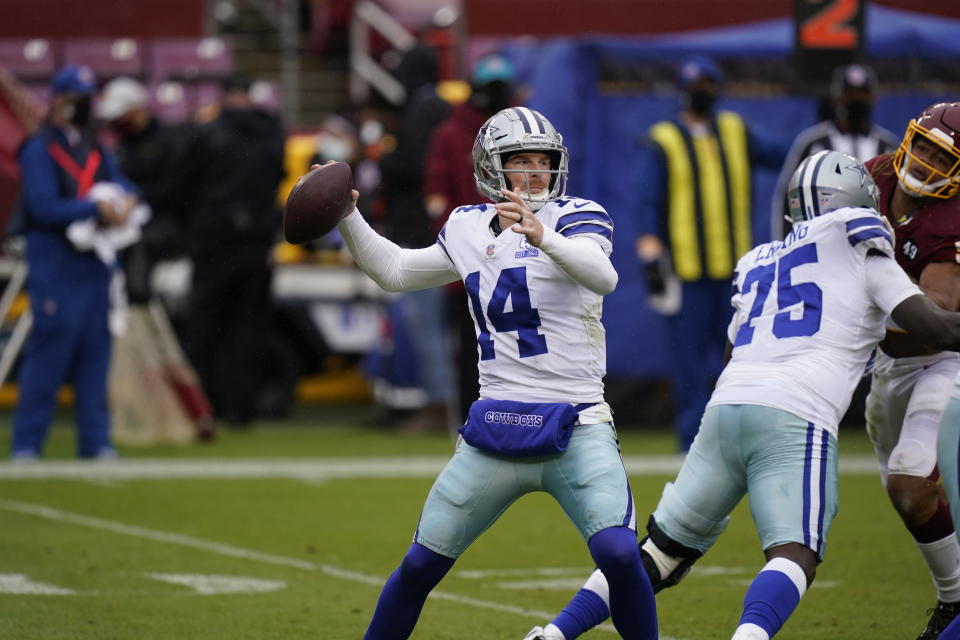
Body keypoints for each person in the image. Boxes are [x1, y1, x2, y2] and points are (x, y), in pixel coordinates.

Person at [523, 150, 960, 640]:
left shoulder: (760, 260)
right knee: (794, 554)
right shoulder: (864, 247)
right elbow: (936, 327)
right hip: (797, 410)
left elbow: (734, 347)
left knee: (661, 551)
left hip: (727, 407)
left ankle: (555, 633)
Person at [333, 106, 657, 639]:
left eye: (542, 161)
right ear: (492, 168)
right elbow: (395, 271)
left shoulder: (577, 216)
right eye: (520, 162)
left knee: (621, 555)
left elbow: (604, 276)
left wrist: (543, 238)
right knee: (419, 566)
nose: (534, 173)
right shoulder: (465, 227)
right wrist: (348, 218)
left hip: (577, 423)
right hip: (495, 430)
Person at [635, 55, 787, 451]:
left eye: (706, 86)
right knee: (687, 363)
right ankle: (692, 442)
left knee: (740, 357)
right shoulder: (664, 138)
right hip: (687, 269)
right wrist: (650, 250)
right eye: (693, 87)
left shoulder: (735, 131)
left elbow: (787, 154)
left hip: (735, 271)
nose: (700, 94)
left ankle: (738, 436)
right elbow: (648, 199)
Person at [861, 102, 960, 640]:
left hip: (941, 358)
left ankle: (954, 602)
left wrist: (859, 312)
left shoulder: (951, 218)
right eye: (920, 145)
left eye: (939, 155)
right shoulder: (873, 176)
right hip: (887, 367)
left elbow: (935, 318)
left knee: (911, 482)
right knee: (907, 496)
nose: (922, 160)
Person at [10, 65, 138, 459]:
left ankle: (96, 442)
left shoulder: (93, 145)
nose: (84, 105)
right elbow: (43, 206)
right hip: (56, 263)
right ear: (59, 101)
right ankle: (27, 445)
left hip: (95, 264)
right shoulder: (39, 147)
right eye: (77, 98)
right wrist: (94, 208)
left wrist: (127, 200)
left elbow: (122, 182)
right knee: (49, 356)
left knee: (95, 357)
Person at [179, 71, 286, 426]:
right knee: (249, 328)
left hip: (213, 242)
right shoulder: (271, 131)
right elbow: (278, 176)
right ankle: (242, 409)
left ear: (223, 94)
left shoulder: (207, 132)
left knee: (205, 326)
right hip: (257, 242)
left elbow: (185, 185)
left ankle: (200, 408)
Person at [423, 52, 516, 425]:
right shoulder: (451, 133)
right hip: (469, 269)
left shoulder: (516, 134)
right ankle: (469, 424)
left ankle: (513, 422)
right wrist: (460, 245)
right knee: (469, 353)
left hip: (514, 264)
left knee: (514, 350)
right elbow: (436, 195)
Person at [376, 43, 454, 432]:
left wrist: (383, 159)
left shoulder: (425, 111)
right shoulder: (436, 108)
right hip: (431, 233)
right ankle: (443, 401)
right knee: (432, 327)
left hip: (421, 235)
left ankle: (441, 404)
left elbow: (413, 165)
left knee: (427, 327)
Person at [770, 63, 899, 241]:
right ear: (837, 97)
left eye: (862, 94)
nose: (856, 100)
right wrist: (783, 248)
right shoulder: (812, 143)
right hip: (823, 247)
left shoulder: (888, 146)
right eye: (850, 94)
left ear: (873, 98)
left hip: (875, 248)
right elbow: (787, 201)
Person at [96, 76, 191, 302]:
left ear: (137, 110)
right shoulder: (123, 145)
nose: (116, 122)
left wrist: (138, 198)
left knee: (142, 242)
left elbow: (177, 189)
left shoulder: (170, 140)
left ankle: (137, 302)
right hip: (128, 217)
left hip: (168, 219)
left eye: (121, 115)